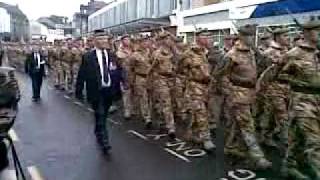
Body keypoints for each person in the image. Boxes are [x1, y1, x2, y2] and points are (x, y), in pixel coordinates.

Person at [215, 24, 272, 169]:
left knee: (236, 124)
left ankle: (231, 147)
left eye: (252, 35)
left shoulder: (252, 52)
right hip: (238, 94)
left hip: (251, 94)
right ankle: (258, 157)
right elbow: (219, 75)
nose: (251, 38)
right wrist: (230, 91)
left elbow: (265, 65)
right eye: (248, 36)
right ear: (241, 36)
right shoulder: (231, 55)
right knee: (247, 125)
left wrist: (257, 51)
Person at [279, 17, 320, 180]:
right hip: (302, 101)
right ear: (307, 33)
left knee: (296, 137)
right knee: (315, 141)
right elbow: (279, 74)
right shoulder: (294, 54)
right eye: (317, 30)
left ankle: (288, 166)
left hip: (318, 100)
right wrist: (298, 81)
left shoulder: (319, 51)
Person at [76, 30, 123, 154]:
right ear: (95, 41)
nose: (104, 41)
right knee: (100, 113)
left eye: (105, 39)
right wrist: (79, 91)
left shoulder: (112, 55)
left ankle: (98, 130)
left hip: (109, 90)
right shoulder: (88, 56)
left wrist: (120, 89)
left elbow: (117, 73)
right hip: (96, 91)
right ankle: (104, 141)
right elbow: (82, 74)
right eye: (101, 39)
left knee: (103, 114)